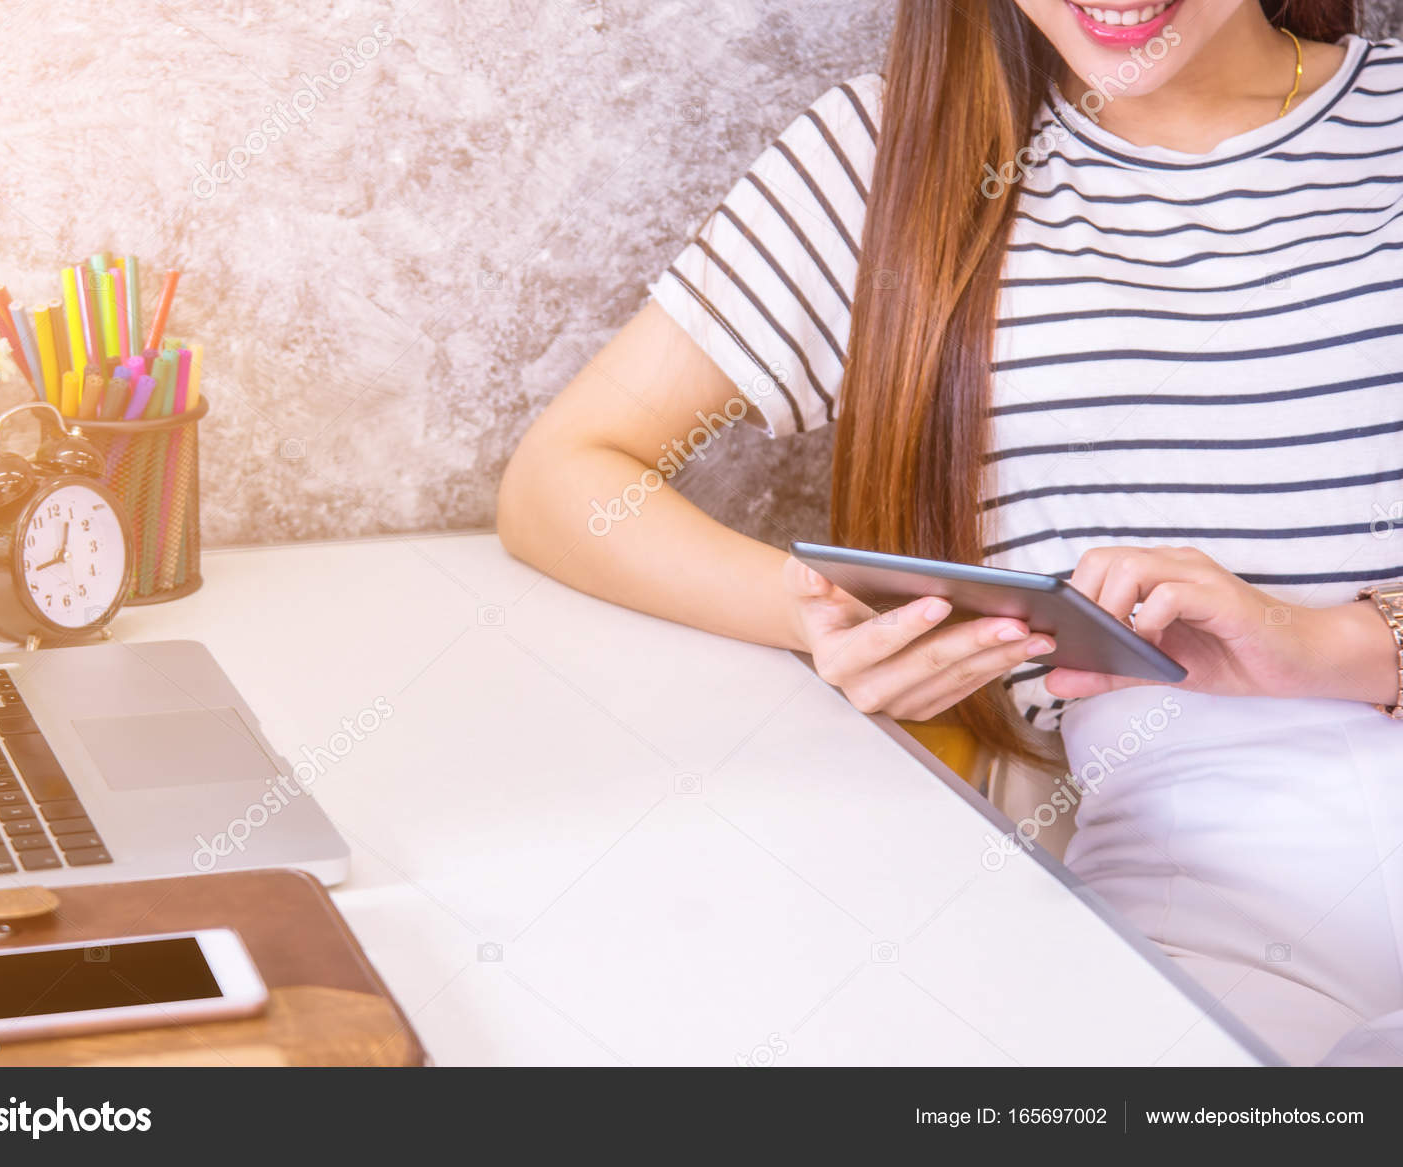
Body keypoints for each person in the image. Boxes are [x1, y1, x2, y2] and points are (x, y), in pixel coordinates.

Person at [498, 0, 1403, 1065]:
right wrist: (826, 617)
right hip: (1214, 877)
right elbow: (562, 480)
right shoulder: (894, 162)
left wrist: (1336, 645)